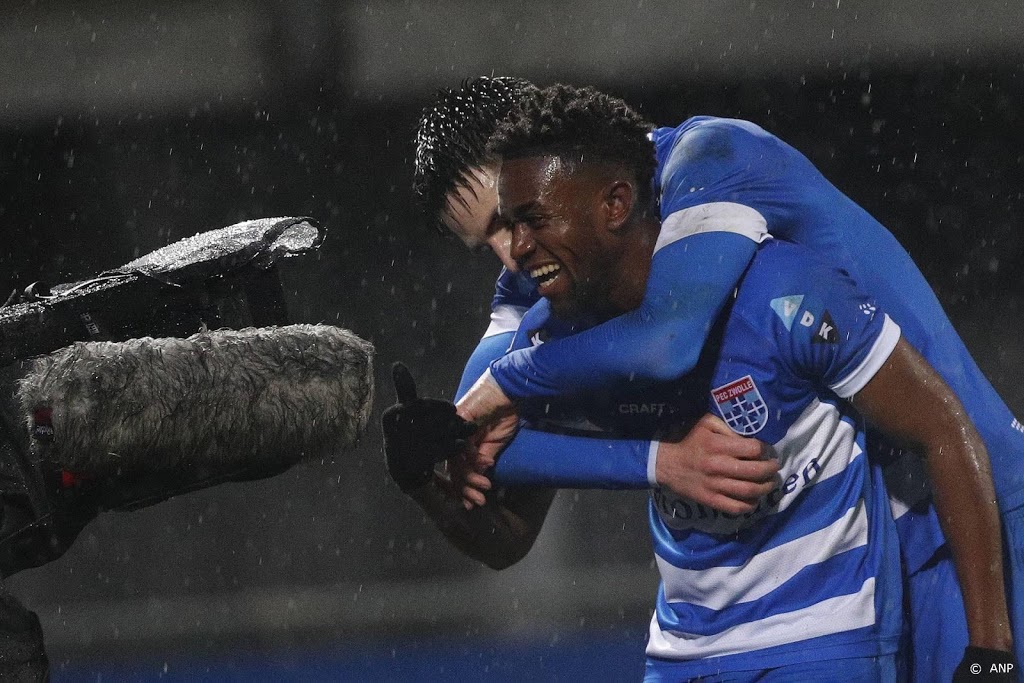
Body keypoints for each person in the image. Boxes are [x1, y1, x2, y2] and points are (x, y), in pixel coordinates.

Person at [386, 83, 1016, 680]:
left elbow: (665, 341)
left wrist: (510, 386)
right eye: (488, 242)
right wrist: (659, 461)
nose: (508, 253)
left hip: (970, 497)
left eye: (509, 217)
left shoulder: (709, 158)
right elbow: (485, 433)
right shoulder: (554, 266)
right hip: (858, 542)